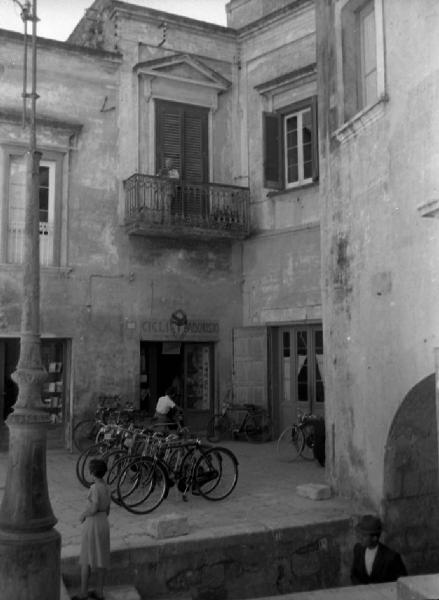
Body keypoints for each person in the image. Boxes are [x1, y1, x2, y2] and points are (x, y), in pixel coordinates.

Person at [73, 458, 111, 600]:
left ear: (92, 473)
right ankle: (99, 592)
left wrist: (84, 515)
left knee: (86, 559)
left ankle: (83, 593)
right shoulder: (108, 488)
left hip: (93, 524)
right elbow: (107, 511)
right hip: (104, 523)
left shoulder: (94, 488)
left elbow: (94, 507)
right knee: (102, 558)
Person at [351, 514, 407, 585]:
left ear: (374, 538)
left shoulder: (391, 558)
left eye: (364, 536)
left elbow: (401, 582)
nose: (360, 538)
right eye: (360, 534)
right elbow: (354, 575)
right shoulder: (358, 549)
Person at [157, 157, 180, 223]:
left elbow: (177, 178)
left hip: (170, 191)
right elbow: (157, 177)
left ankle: (167, 220)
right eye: (167, 163)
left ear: (172, 164)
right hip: (162, 190)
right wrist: (160, 175)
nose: (168, 164)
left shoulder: (175, 171)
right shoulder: (163, 170)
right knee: (161, 205)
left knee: (167, 205)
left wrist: (168, 176)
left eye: (169, 163)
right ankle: (161, 220)